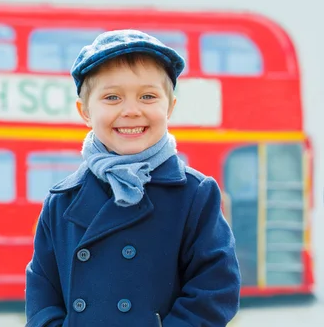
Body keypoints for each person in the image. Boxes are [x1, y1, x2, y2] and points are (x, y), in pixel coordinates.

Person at [24, 29, 241, 327]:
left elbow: (215, 288)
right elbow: (41, 290)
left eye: (148, 96)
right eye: (112, 97)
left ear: (170, 107)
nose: (131, 110)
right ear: (85, 111)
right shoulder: (61, 200)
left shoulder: (195, 194)